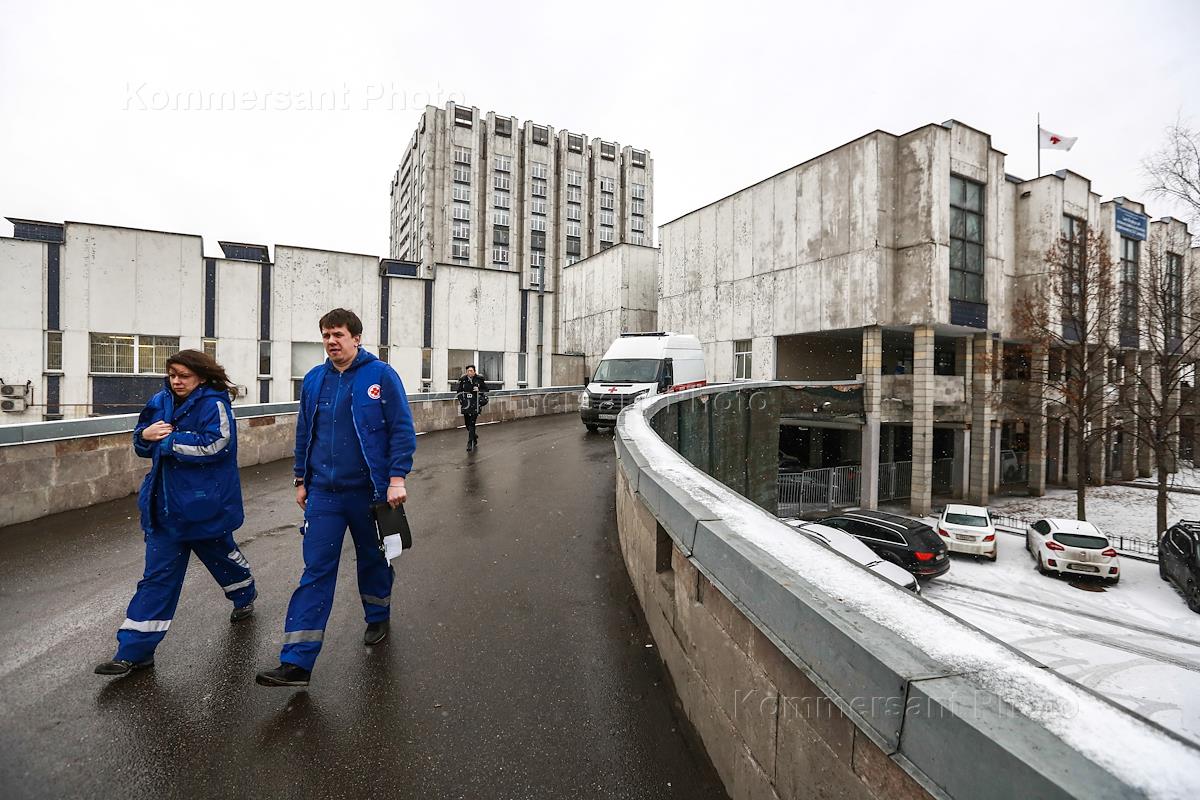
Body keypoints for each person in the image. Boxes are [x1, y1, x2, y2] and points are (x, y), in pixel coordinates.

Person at [256, 308, 416, 688]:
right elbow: (303, 433)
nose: (331, 341)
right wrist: (301, 480)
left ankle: (377, 615)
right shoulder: (314, 381)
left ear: (356, 338)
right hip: (324, 495)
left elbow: (401, 429)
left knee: (373, 561)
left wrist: (397, 478)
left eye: (338, 334)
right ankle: (296, 661)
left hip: (370, 493)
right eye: (326, 335)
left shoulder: (380, 376)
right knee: (316, 572)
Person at [95, 350, 254, 676]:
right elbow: (142, 441)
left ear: (202, 376)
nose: (177, 381)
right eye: (172, 374)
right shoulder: (160, 401)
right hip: (165, 509)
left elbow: (216, 444)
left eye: (184, 375)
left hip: (203, 508)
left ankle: (245, 594)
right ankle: (134, 651)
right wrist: (144, 436)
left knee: (223, 558)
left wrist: (166, 442)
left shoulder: (215, 405)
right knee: (157, 579)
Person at [456, 365, 488, 452]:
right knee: (467, 424)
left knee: (472, 424)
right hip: (466, 404)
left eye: (471, 371)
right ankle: (474, 436)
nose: (469, 372)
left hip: (475, 404)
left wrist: (479, 389)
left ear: (474, 372)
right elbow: (459, 391)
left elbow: (486, 389)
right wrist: (461, 400)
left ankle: (470, 443)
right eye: (468, 371)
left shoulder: (479, 379)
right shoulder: (463, 380)